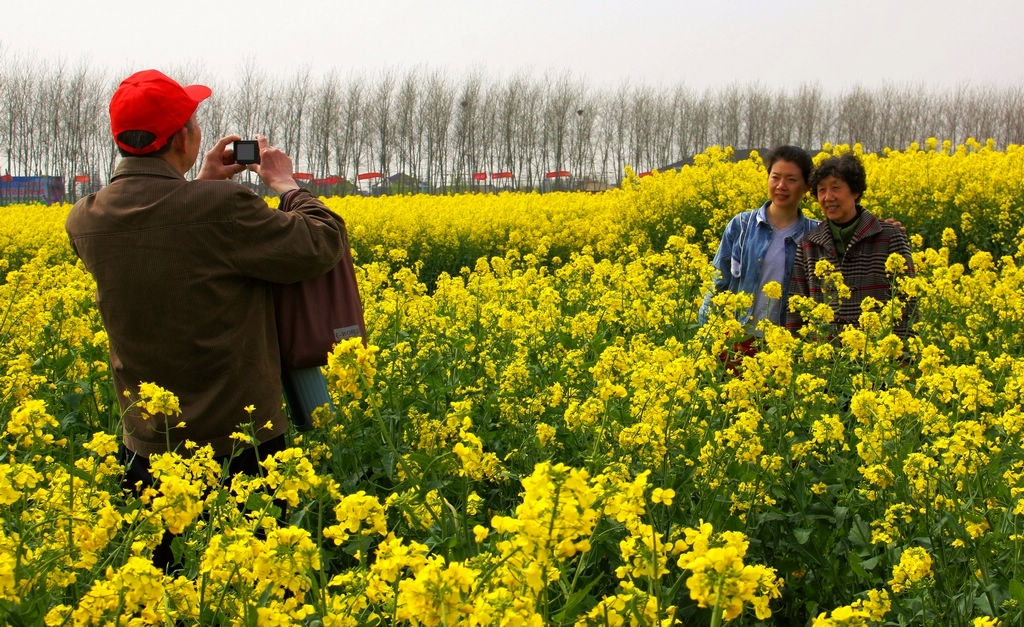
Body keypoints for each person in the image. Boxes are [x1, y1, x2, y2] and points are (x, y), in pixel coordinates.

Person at [65, 69, 347, 490]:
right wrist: (285, 183)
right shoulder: (224, 208)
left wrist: (198, 185)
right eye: (194, 123)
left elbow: (164, 236)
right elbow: (323, 241)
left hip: (148, 450)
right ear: (183, 140)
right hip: (239, 446)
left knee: (160, 557)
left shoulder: (85, 219)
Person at [785, 153, 915, 339]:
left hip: (877, 353)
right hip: (826, 357)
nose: (828, 197)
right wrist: (798, 352)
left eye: (836, 188)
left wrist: (900, 353)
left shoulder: (889, 236)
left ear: (855, 191)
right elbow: (796, 307)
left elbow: (908, 300)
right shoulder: (808, 245)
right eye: (821, 190)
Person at [699, 145, 819, 332]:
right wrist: (706, 332)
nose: (781, 186)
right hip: (738, 338)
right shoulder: (741, 225)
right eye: (775, 177)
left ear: (806, 187)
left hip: (788, 342)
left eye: (791, 179)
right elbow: (718, 281)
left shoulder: (815, 233)